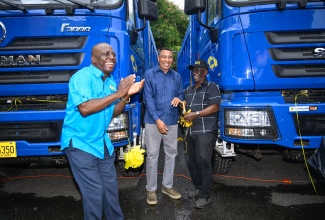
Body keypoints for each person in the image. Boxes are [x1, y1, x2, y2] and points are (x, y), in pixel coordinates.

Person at [60, 42, 144, 220]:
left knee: (111, 191)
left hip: (102, 144)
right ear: (94, 58)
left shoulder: (111, 82)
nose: (111, 57)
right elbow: (85, 108)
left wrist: (126, 94)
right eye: (105, 54)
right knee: (94, 193)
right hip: (81, 143)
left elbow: (113, 111)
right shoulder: (82, 77)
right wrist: (119, 93)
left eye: (113, 54)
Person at [143, 47, 184, 205]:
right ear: (158, 58)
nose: (167, 60)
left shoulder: (177, 76)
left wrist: (178, 98)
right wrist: (157, 120)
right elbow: (147, 99)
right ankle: (151, 190)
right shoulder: (150, 74)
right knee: (152, 156)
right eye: (164, 57)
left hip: (172, 120)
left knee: (171, 155)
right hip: (153, 121)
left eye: (170, 58)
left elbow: (181, 94)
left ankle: (167, 186)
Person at [182, 59, 221, 209]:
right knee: (191, 161)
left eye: (199, 70)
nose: (195, 73)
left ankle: (206, 195)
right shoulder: (189, 90)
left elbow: (215, 107)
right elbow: (185, 105)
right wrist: (181, 103)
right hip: (191, 131)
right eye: (194, 70)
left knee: (204, 161)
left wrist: (196, 114)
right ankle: (198, 188)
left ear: (205, 72)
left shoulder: (211, 87)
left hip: (206, 131)